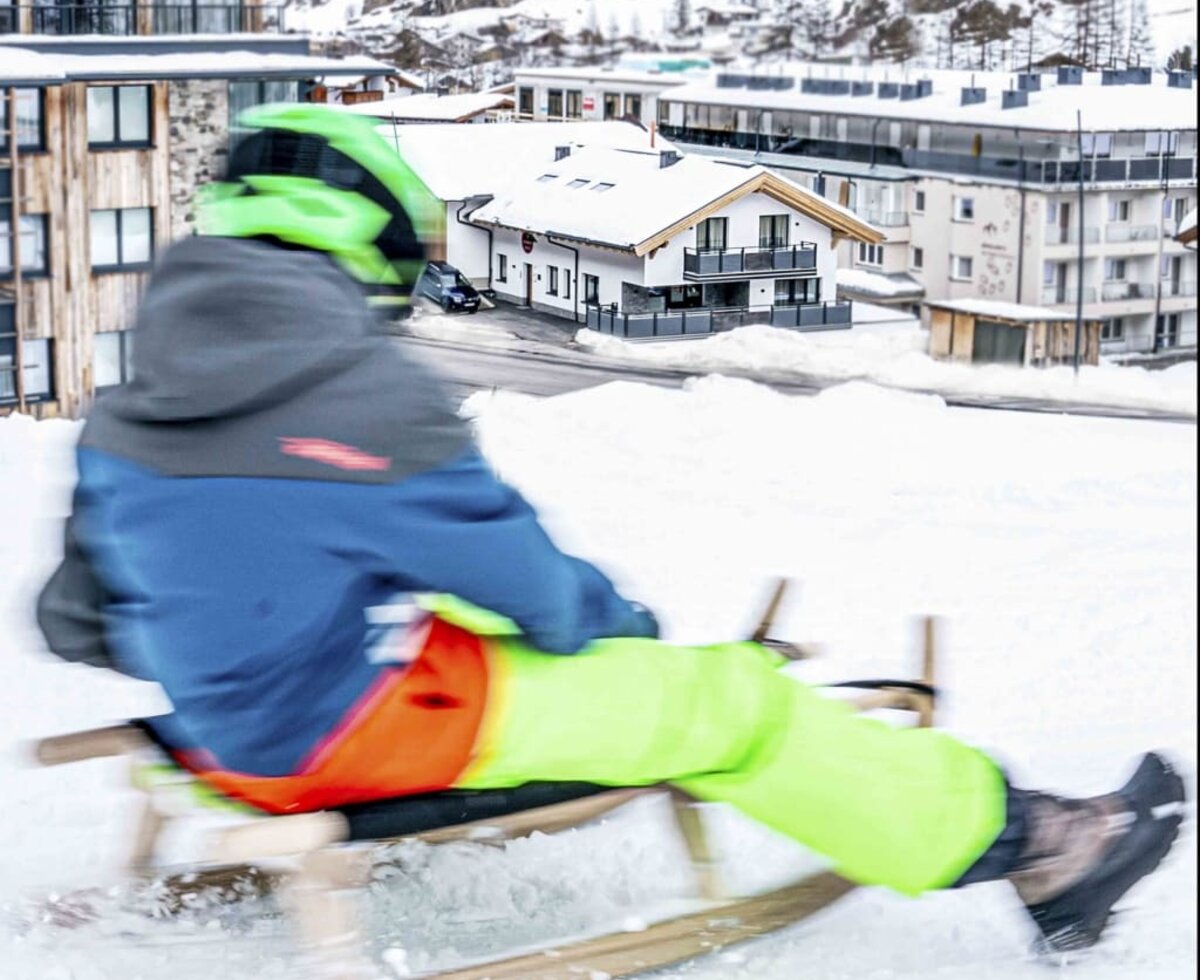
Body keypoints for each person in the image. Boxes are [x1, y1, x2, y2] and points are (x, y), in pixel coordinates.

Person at [37, 104, 1184, 955]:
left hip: (220, 729)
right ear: (364, 235)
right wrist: (631, 636)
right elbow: (530, 588)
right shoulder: (352, 387)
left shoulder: (131, 407)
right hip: (339, 733)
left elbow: (80, 619)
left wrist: (241, 621)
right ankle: (1044, 846)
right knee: (730, 701)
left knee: (490, 656)